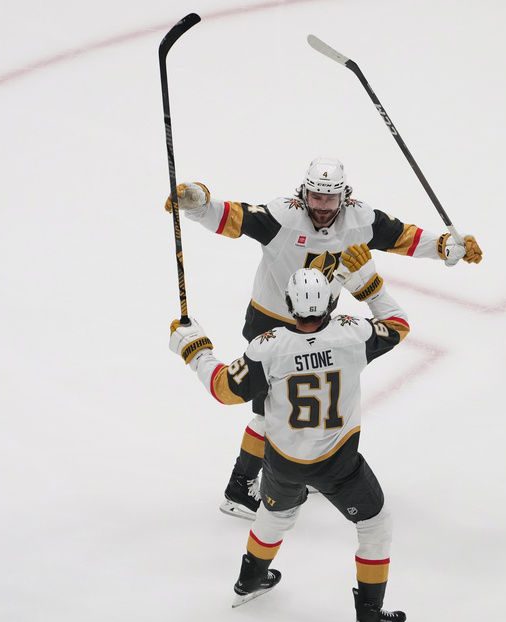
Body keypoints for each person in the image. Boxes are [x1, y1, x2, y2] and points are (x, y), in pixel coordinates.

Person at [165, 156, 481, 520]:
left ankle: (300, 467)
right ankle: (240, 487)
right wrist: (200, 203)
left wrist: (443, 246)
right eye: (315, 197)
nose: (322, 206)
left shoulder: (360, 220)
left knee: (311, 394)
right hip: (271, 322)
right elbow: (235, 217)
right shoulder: (284, 216)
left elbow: (401, 236)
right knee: (272, 413)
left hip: (321, 320)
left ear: (344, 197)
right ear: (304, 193)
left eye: (330, 199)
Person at [168, 247, 410, 622]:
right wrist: (367, 283)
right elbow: (398, 324)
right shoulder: (353, 333)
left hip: (283, 464)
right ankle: (370, 618)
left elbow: (224, 389)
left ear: (289, 304)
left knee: (274, 515)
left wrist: (195, 350)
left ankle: (249, 581)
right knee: (375, 527)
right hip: (338, 465)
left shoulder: (268, 346)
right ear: (332, 301)